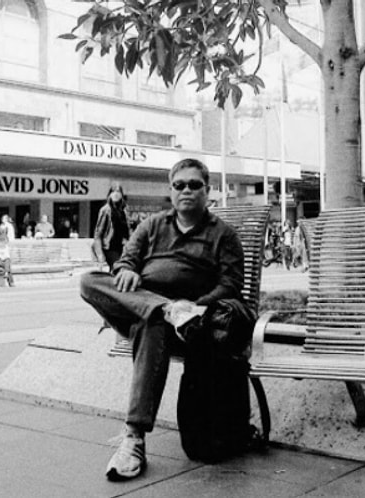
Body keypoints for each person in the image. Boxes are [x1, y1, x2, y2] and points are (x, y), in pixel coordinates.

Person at [79, 158, 245, 481]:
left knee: (152, 324)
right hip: (144, 305)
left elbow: (230, 285)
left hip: (190, 324)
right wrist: (126, 270)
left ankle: (134, 438)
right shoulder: (152, 225)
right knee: (88, 281)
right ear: (171, 190)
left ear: (207, 190)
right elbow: (126, 260)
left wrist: (195, 306)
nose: (186, 190)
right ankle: (165, 309)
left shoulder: (222, 234)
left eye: (194, 185)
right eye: (179, 185)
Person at [94, 183, 132, 271]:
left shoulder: (124, 210)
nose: (116, 194)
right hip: (110, 247)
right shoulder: (105, 210)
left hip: (123, 247)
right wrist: (100, 254)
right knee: (118, 268)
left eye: (118, 191)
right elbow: (98, 234)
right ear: (110, 194)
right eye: (113, 191)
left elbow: (128, 229)